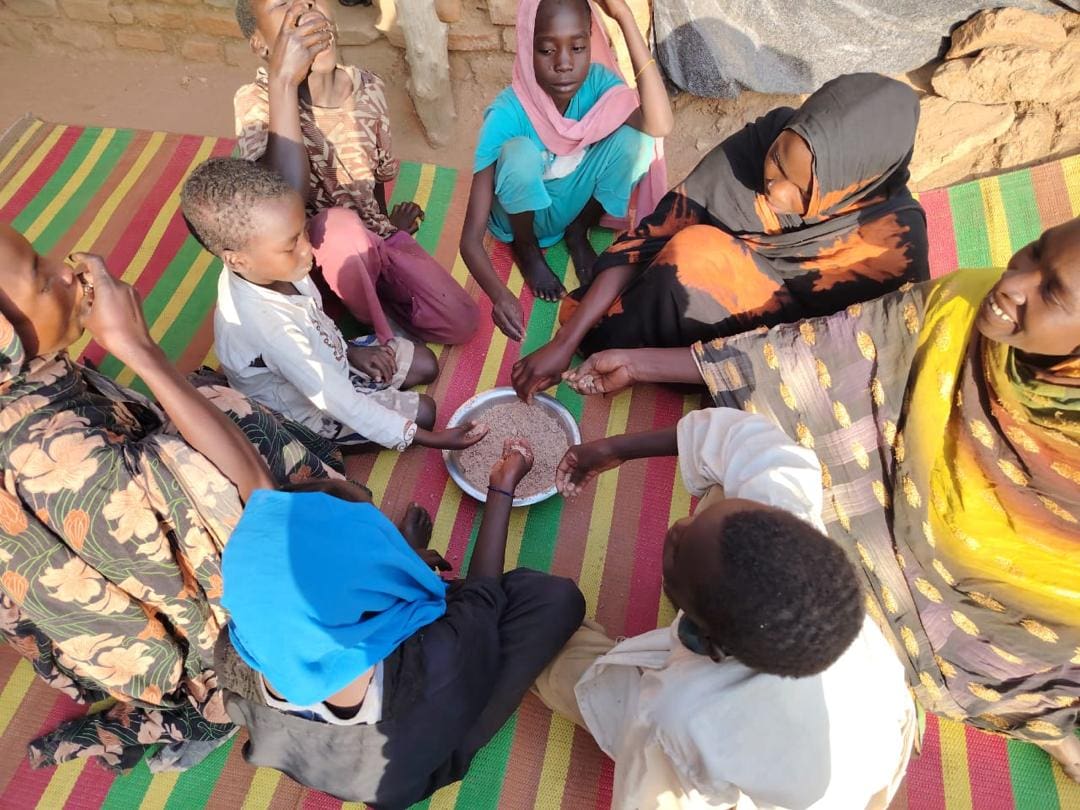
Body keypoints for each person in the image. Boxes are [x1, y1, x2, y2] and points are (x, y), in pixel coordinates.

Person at [562, 216, 1080, 780]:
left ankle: (1039, 717)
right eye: (1031, 251)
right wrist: (637, 368)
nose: (1014, 283)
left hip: (992, 618)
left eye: (1051, 291)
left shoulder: (688, 716)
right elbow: (809, 358)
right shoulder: (961, 307)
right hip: (856, 534)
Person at [0, 223, 344, 769]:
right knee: (224, 422)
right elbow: (251, 512)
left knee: (208, 401)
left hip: (147, 526)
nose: (66, 270)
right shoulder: (59, 462)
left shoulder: (26, 384)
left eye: (45, 257)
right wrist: (140, 349)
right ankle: (206, 702)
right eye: (42, 280)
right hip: (180, 613)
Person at [536, 407, 916, 808]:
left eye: (677, 552)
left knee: (554, 658)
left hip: (754, 784)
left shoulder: (681, 717)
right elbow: (748, 441)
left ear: (708, 644)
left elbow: (649, 796)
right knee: (728, 490)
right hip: (870, 740)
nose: (679, 526)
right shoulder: (792, 553)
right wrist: (617, 448)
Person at [512, 72, 929, 401]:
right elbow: (656, 234)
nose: (773, 187)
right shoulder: (775, 132)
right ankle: (622, 347)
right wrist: (567, 340)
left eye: (802, 190)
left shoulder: (892, 245)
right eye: (777, 161)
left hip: (773, 356)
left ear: (856, 183)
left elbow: (834, 355)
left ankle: (648, 362)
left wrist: (642, 365)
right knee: (695, 251)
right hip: (700, 294)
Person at [215, 439, 586, 808]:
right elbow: (482, 600)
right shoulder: (435, 659)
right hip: (412, 771)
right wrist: (502, 486)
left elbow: (249, 474)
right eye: (382, 542)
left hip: (333, 763)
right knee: (555, 600)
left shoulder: (237, 648)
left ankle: (406, 566)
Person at [182, 157, 483, 453]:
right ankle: (318, 438)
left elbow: (316, 323)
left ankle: (365, 377)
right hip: (309, 407)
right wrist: (435, 440)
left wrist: (351, 352)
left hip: (329, 361)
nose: (307, 249)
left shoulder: (271, 268)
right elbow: (337, 401)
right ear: (237, 259)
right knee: (426, 415)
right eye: (291, 245)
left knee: (425, 363)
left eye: (302, 232)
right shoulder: (269, 329)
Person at [233, 0, 479, 345]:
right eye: (284, 5)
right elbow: (281, 202)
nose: (305, 9)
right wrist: (283, 82)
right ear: (261, 44)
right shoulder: (257, 103)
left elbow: (375, 178)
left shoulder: (369, 89)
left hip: (360, 249)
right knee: (339, 227)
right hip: (299, 269)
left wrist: (385, 229)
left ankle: (363, 295)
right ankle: (374, 327)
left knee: (460, 322)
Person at [460, 0, 671, 340]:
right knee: (519, 153)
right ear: (527, 47)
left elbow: (659, 123)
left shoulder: (597, 84)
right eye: (546, 49)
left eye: (577, 47)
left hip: (570, 201)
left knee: (638, 140)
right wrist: (499, 295)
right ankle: (527, 249)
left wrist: (623, 18)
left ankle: (578, 230)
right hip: (520, 216)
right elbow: (470, 239)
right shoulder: (506, 113)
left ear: (591, 42)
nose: (563, 64)